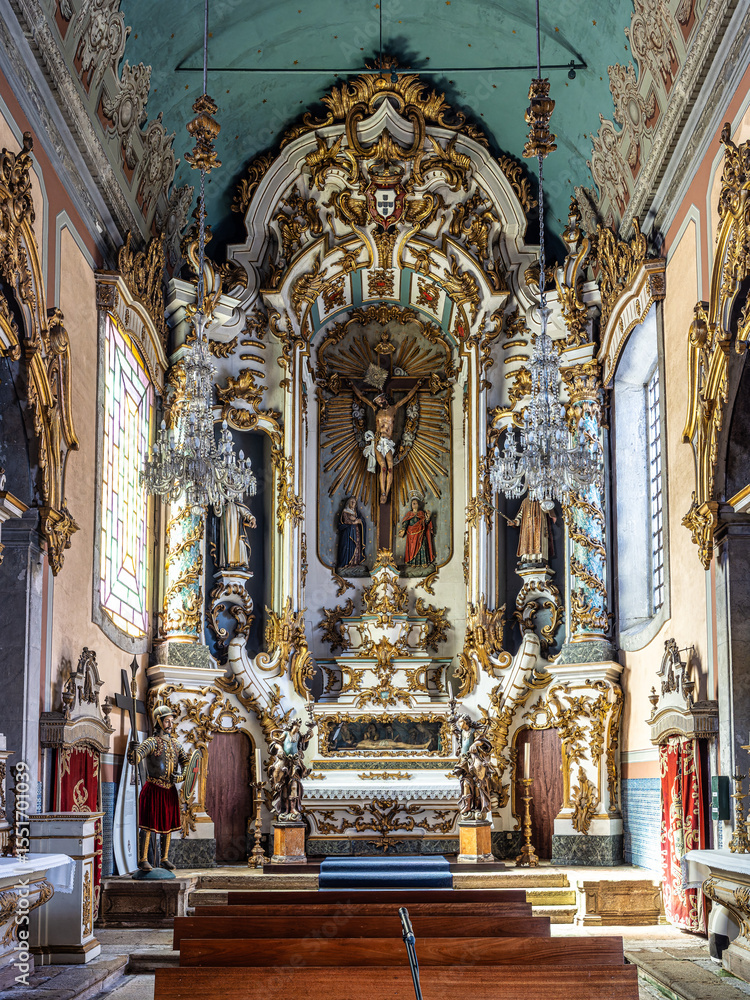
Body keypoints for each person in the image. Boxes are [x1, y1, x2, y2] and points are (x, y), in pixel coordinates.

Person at [127, 704, 191, 871]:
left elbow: (186, 763)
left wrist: (182, 776)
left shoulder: (176, 744)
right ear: (159, 722)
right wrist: (133, 751)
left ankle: (164, 858)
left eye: (171, 721)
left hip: (169, 789)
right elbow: (136, 759)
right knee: (148, 825)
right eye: (167, 721)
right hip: (153, 788)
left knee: (167, 825)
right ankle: (143, 859)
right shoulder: (151, 742)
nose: (170, 724)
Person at [351, 380, 423, 503]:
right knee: (383, 468)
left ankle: (387, 491)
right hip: (378, 441)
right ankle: (382, 492)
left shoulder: (394, 408)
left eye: (380, 400)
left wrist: (417, 386)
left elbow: (407, 397)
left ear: (384, 399)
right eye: (377, 402)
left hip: (388, 442)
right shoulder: (376, 410)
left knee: (390, 468)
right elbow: (362, 397)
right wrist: (352, 386)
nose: (378, 403)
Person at [448, 699, 499, 820]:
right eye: (459, 722)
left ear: (466, 722)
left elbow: (483, 738)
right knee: (466, 783)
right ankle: (467, 806)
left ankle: (478, 807)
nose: (460, 724)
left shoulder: (473, 731)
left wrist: (476, 744)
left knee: (477, 784)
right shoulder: (461, 733)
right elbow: (453, 728)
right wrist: (452, 711)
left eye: (461, 722)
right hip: (464, 761)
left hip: (474, 760)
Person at [267, 705, 317, 821]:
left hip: (295, 762)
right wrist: (280, 749)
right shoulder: (286, 734)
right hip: (284, 761)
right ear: (292, 725)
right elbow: (276, 743)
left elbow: (304, 741)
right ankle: (284, 809)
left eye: (299, 726)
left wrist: (310, 733)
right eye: (296, 726)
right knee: (284, 787)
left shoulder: (298, 735)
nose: (297, 728)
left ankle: (293, 808)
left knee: (294, 786)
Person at [510, 496, 556, 563]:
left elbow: (547, 509)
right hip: (527, 527)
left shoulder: (541, 499)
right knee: (527, 541)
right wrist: (516, 521)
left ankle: (539, 559)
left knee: (539, 540)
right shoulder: (525, 501)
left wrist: (543, 503)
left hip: (539, 524)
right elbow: (521, 514)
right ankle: (526, 559)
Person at [217, 499, 256, 568]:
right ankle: (227, 562)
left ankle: (240, 562)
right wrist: (218, 505)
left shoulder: (236, 504)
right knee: (227, 541)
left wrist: (252, 518)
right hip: (226, 524)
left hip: (236, 526)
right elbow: (217, 512)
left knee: (238, 541)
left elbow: (245, 512)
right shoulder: (223, 504)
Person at [400, 497, 436, 567]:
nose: (414, 505)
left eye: (416, 503)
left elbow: (426, 523)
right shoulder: (409, 514)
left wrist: (428, 517)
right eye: (413, 503)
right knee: (412, 549)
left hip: (421, 533)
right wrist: (403, 529)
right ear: (411, 505)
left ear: (418, 505)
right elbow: (405, 523)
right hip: (411, 534)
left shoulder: (421, 513)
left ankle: (424, 562)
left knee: (422, 547)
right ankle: (413, 563)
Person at [337, 496, 366, 568]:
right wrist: (354, 522)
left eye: (354, 502)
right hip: (347, 533)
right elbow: (345, 521)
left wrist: (360, 521)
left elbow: (362, 520)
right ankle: (345, 563)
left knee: (357, 546)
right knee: (346, 546)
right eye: (351, 502)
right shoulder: (345, 511)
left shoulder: (357, 513)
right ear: (348, 503)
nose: (353, 503)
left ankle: (355, 563)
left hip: (356, 532)